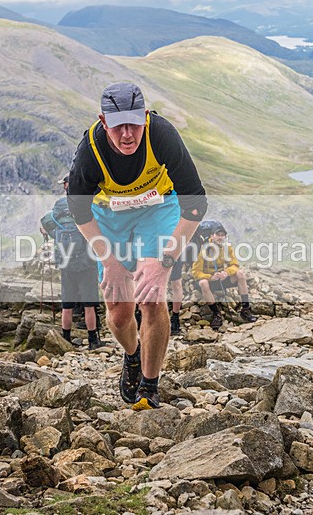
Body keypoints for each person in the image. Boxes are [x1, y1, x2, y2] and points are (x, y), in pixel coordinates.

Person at [67, 82, 207, 410]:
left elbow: (196, 205)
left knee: (152, 296)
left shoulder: (162, 136)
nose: (127, 134)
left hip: (158, 207)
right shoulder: (91, 151)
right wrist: (111, 262)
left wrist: (166, 260)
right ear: (104, 122)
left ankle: (149, 383)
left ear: (145, 117)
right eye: (118, 127)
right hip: (109, 216)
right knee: (118, 312)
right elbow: (78, 211)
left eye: (134, 124)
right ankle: (132, 355)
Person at [40, 174, 105, 350]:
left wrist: (53, 236)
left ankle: (66, 339)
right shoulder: (87, 203)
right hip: (87, 262)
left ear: (66, 187)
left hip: (66, 263)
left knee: (67, 304)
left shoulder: (59, 205)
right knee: (89, 304)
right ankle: (93, 341)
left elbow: (47, 223)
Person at [191, 221, 258, 329]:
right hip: (209, 281)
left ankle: (245, 309)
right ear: (212, 236)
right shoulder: (203, 249)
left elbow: (235, 265)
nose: (220, 237)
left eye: (223, 235)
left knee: (240, 274)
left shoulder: (227, 248)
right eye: (218, 234)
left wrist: (226, 272)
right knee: (203, 283)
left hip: (222, 278)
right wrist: (210, 277)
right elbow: (195, 272)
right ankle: (216, 314)